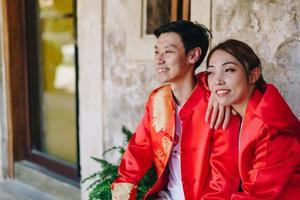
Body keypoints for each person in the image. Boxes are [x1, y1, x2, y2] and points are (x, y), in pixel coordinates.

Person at [111, 21, 240, 200]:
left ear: (193, 55)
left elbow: (223, 182)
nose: (159, 59)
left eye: (168, 52)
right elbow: (137, 152)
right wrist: (123, 192)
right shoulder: (158, 101)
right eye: (156, 51)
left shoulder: (218, 105)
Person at [205, 39, 300, 199]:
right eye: (211, 72)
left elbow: (256, 195)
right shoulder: (244, 106)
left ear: (253, 75)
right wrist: (219, 93)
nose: (217, 81)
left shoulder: (270, 127)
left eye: (228, 70)